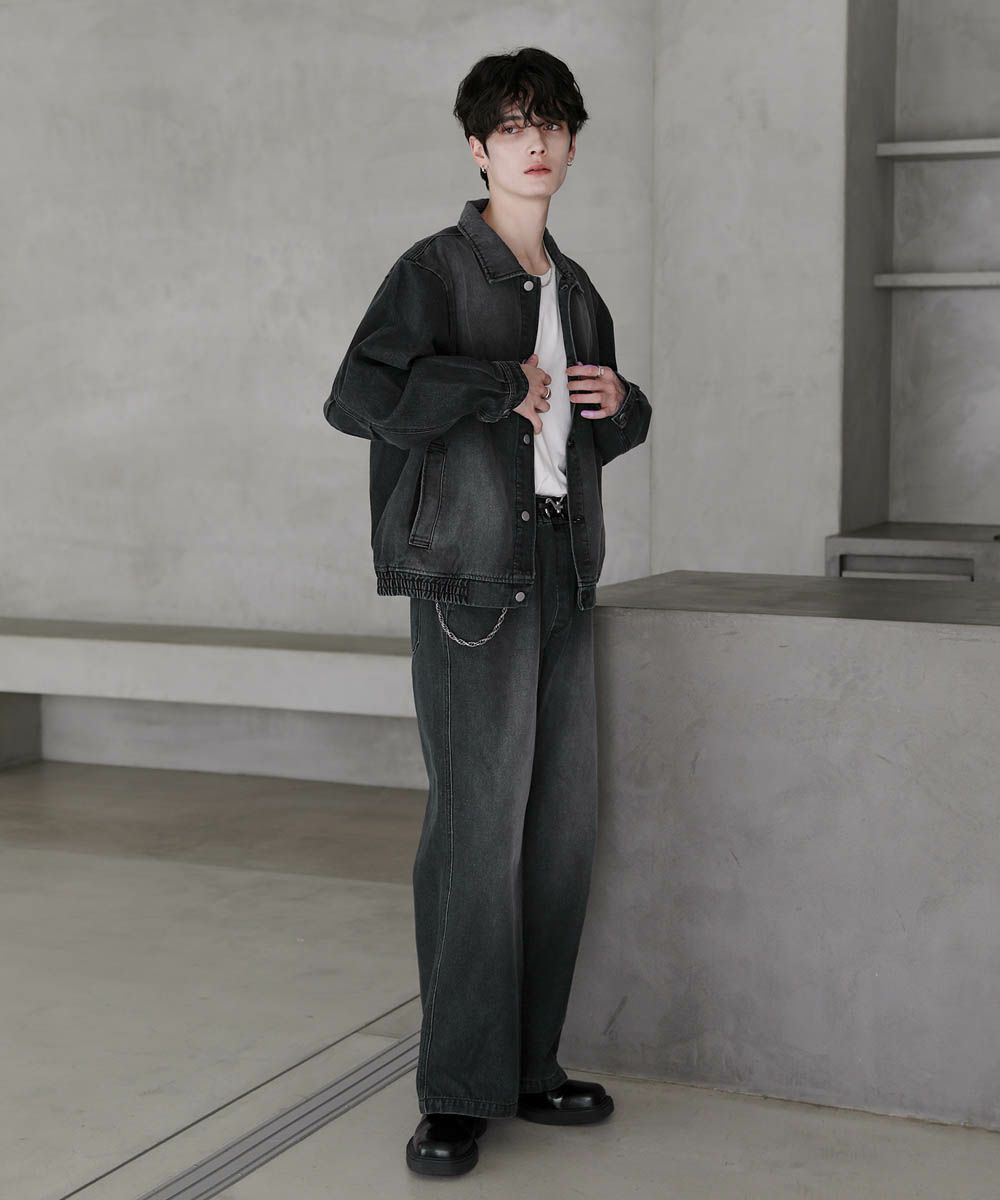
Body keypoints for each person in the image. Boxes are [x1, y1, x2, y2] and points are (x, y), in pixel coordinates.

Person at [323, 46, 651, 1177]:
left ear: (571, 142)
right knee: (476, 835)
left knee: (556, 836)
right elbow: (358, 398)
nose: (534, 142)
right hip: (471, 579)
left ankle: (527, 1067)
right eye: (512, 125)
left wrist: (623, 403)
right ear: (477, 148)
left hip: (562, 569)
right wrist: (493, 381)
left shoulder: (578, 288)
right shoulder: (434, 271)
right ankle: (457, 1090)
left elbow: (581, 434)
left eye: (550, 123)